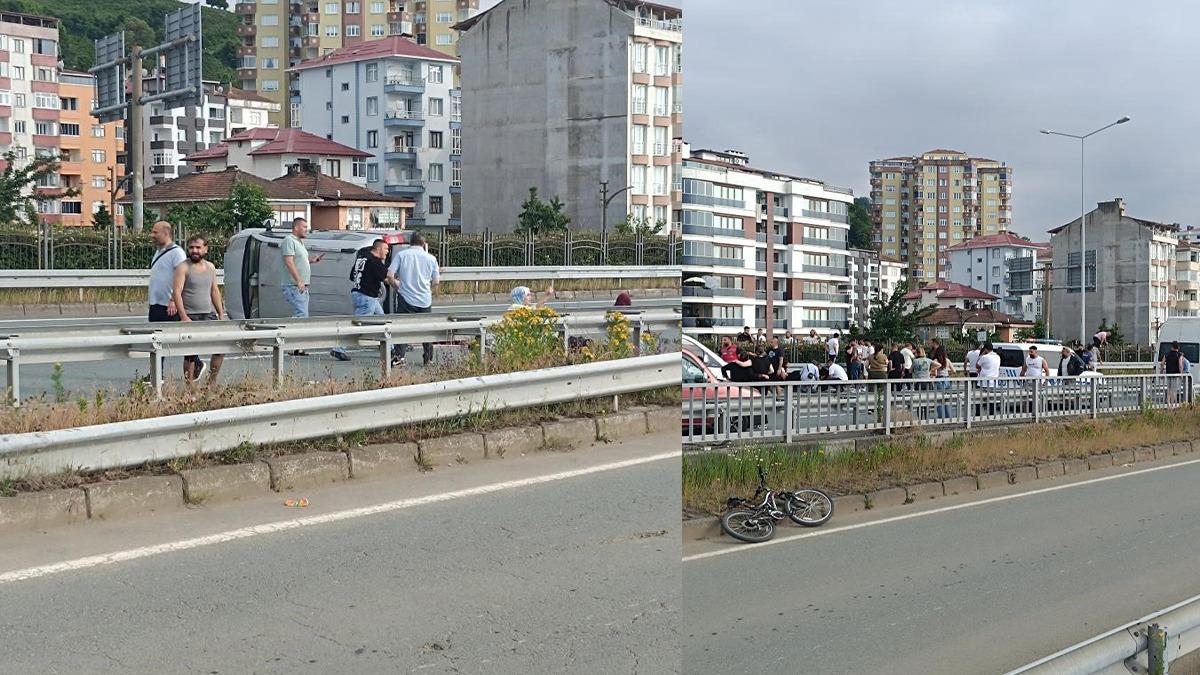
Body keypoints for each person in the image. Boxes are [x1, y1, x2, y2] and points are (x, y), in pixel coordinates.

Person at [171, 235, 224, 385]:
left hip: (208, 314)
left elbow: (214, 290)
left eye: (198, 247)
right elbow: (177, 292)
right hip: (190, 315)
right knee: (190, 355)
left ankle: (211, 383)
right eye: (191, 247)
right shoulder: (183, 267)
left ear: (205, 249)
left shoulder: (210, 267)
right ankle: (190, 389)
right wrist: (183, 316)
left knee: (221, 349)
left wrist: (221, 313)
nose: (194, 250)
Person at [331, 239, 392, 361]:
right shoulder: (375, 262)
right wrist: (396, 281)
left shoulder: (362, 259)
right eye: (385, 249)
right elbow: (386, 276)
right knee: (357, 326)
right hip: (367, 297)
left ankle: (391, 348)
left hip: (361, 294)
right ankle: (338, 349)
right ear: (378, 248)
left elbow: (352, 276)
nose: (387, 252)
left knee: (382, 321)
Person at [387, 232, 441, 367]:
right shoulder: (431, 258)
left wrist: (397, 286)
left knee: (402, 328)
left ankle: (399, 357)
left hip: (405, 297)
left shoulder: (402, 255)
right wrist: (427, 287)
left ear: (410, 243)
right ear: (423, 244)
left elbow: (390, 275)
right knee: (426, 330)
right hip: (424, 299)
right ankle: (428, 359)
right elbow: (436, 281)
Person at [147, 220, 190, 378]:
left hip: (168, 304)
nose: (152, 235)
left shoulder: (177, 253)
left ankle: (196, 363)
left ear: (166, 233)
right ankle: (157, 374)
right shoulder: (159, 252)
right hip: (156, 303)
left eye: (155, 232)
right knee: (157, 340)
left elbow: (182, 277)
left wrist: (173, 300)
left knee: (180, 337)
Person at [280, 217, 324, 356]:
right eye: (304, 227)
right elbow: (289, 262)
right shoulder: (289, 240)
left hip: (301, 285)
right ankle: (282, 337)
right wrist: (299, 280)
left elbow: (299, 261)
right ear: (296, 227)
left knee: (302, 315)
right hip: (293, 285)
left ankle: (297, 347)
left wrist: (311, 260)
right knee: (301, 314)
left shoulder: (300, 242)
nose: (307, 229)